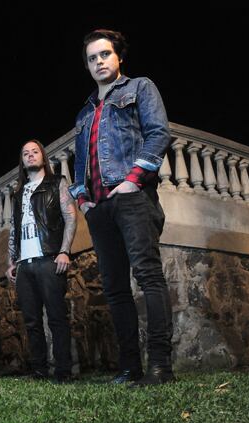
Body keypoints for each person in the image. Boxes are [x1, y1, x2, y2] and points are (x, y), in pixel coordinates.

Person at [69, 29, 174, 386]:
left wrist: (133, 180)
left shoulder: (140, 87)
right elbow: (80, 162)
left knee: (148, 276)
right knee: (114, 288)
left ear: (119, 57)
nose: (99, 62)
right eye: (92, 58)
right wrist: (82, 199)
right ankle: (129, 368)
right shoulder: (84, 113)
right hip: (99, 208)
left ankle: (160, 367)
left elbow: (158, 134)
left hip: (132, 197)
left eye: (105, 54)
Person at [6, 140, 77, 383]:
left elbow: (70, 217)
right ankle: (39, 371)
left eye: (34, 151)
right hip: (24, 264)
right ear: (22, 160)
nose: (30, 155)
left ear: (42, 156)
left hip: (49, 258)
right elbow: (14, 228)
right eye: (25, 153)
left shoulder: (57, 183)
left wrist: (64, 251)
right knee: (32, 320)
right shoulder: (18, 193)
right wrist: (11, 260)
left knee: (57, 317)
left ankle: (63, 371)